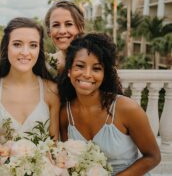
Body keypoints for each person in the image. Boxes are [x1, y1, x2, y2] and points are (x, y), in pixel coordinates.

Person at [58, 33, 161, 175]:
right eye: (80, 66)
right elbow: (68, 163)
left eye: (96, 68)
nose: (87, 74)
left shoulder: (127, 109)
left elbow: (153, 157)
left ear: (104, 74)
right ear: (69, 71)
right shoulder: (65, 113)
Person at [0, 17, 60, 144]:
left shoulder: (51, 90)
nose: (25, 52)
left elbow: (54, 144)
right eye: (17, 44)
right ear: (6, 47)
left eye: (33, 45)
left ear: (39, 49)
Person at [44, 0, 84, 75]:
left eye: (69, 24)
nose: (62, 31)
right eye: (56, 25)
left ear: (80, 27)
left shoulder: (95, 60)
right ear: (49, 32)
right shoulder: (45, 64)